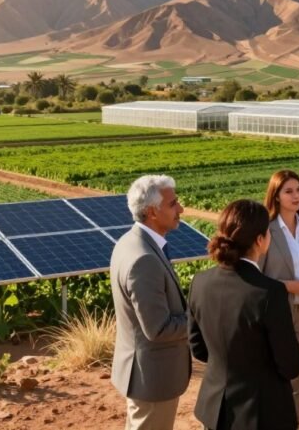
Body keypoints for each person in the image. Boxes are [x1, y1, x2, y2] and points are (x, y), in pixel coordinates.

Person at [188, 199, 299, 430]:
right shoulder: (269, 292)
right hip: (261, 414)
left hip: (215, 410)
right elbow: (290, 365)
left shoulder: (199, 282)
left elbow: (198, 348)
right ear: (260, 241)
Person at [110, 175, 190, 430]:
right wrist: (200, 319)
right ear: (153, 212)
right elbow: (158, 328)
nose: (181, 209)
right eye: (173, 204)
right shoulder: (144, 259)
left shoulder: (128, 242)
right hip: (153, 378)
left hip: (144, 373)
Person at [259, 169, 299, 423]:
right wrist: (289, 286)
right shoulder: (266, 230)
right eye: (288, 191)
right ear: (276, 196)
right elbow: (257, 277)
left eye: (298, 190)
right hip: (276, 315)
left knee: (298, 383)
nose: (296, 196)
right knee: (273, 380)